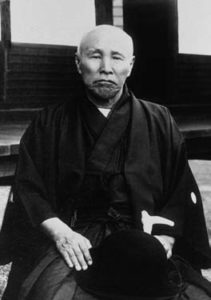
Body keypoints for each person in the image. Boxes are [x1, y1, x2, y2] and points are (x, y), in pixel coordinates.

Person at [3, 24, 211, 300]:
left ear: (131, 65)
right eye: (94, 55)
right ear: (78, 63)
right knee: (54, 293)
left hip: (141, 234)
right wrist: (60, 232)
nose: (105, 67)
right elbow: (29, 187)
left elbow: (179, 188)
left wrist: (165, 238)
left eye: (116, 57)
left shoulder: (159, 120)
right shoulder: (50, 122)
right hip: (75, 236)